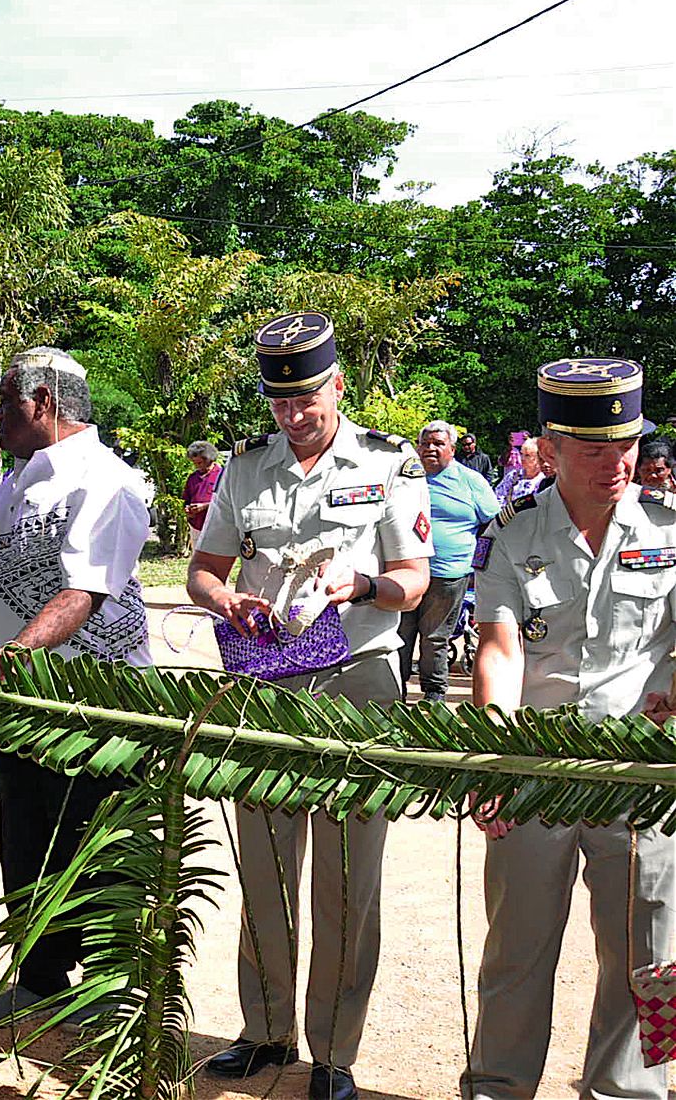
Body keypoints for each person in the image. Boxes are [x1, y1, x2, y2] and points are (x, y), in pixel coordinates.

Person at [187, 312, 431, 1100]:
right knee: (264, 867)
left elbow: (413, 578)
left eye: (306, 402)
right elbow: (203, 570)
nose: (292, 418)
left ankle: (331, 1052)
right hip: (266, 681)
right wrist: (229, 602)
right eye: (278, 403)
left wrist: (361, 586)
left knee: (346, 874)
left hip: (357, 680)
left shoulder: (389, 463)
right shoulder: (244, 469)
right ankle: (262, 1032)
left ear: (336, 387)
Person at [463, 357, 676, 1100]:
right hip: (537, 776)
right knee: (516, 951)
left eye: (625, 444)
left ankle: (626, 1093)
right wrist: (494, 759)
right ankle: (497, 1086)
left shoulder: (668, 531)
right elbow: (498, 649)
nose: (617, 462)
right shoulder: (511, 533)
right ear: (550, 447)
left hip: (639, 782)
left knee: (644, 954)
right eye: (593, 448)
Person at [0, 347, 153, 1025]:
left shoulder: (104, 480)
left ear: (42, 401)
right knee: (27, 837)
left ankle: (110, 986)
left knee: (97, 842)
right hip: (21, 696)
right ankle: (42, 973)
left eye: (5, 403)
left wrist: (17, 651)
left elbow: (84, 588)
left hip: (94, 700)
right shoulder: (16, 478)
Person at [397, 421, 499, 703]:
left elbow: (494, 524)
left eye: (438, 444)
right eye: (426, 443)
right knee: (399, 634)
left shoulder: (470, 481)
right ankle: (396, 691)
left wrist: (481, 565)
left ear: (452, 450)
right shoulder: (403, 477)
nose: (430, 448)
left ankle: (434, 694)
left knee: (434, 637)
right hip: (405, 570)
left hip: (449, 573)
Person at [183, 440, 223, 533]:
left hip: (217, 527)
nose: (197, 466)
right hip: (196, 527)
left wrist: (205, 506)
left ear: (209, 460)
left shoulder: (222, 475)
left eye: (199, 463)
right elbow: (186, 499)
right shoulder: (193, 478)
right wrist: (188, 510)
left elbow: (226, 502)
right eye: (194, 463)